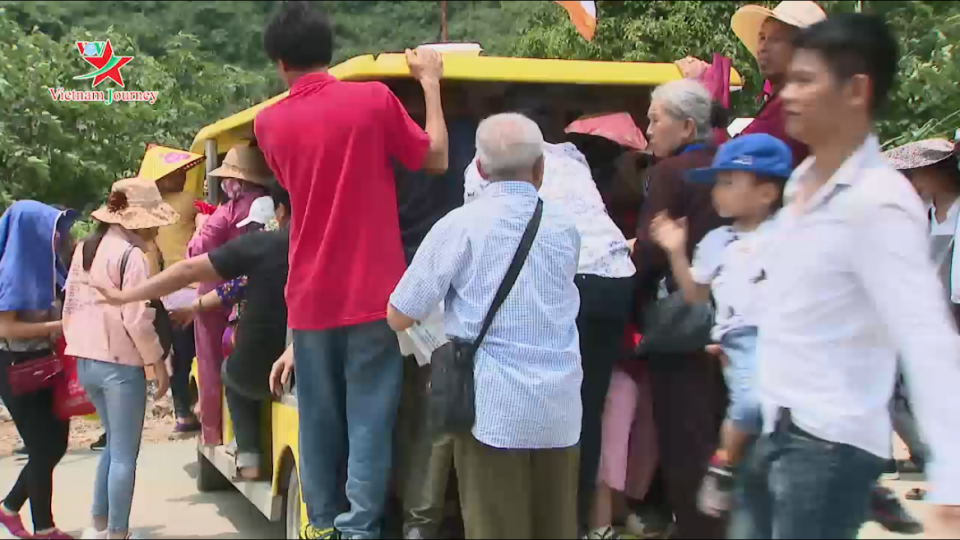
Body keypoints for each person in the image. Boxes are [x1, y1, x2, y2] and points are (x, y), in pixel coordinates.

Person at [731, 14, 960, 539]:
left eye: (806, 80)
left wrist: (952, 483)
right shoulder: (800, 186)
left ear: (856, 90)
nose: (788, 93)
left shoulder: (878, 202)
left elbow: (927, 339)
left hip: (829, 449)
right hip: (777, 431)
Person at [253, 1, 448, 537]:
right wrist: (429, 83)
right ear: (328, 50)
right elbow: (434, 158)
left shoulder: (267, 123)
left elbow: (294, 188)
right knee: (370, 418)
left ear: (279, 62)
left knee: (317, 419)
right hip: (375, 295)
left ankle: (319, 523)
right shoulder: (373, 100)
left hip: (311, 298)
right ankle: (361, 527)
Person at [388, 113, 582, 540]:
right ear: (540, 168)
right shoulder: (566, 227)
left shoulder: (460, 225)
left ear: (479, 168)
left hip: (494, 411)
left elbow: (399, 313)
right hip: (560, 410)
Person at [464, 100, 636, 537]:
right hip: (615, 277)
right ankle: (581, 522)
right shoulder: (572, 158)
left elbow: (480, 231)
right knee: (588, 406)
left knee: (551, 402)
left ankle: (545, 516)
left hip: (574, 276)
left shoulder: (483, 168)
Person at [98, 185, 291, 483]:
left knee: (230, 371)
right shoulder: (326, 245)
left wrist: (126, 297)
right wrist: (195, 307)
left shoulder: (264, 245)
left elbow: (195, 272)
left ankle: (249, 455)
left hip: (260, 365)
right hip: (307, 358)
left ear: (280, 213)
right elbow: (233, 288)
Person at [649, 134, 792, 520]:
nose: (717, 192)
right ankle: (725, 461)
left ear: (766, 192)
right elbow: (695, 294)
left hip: (789, 339)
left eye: (729, 182)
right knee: (749, 405)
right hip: (741, 339)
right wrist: (676, 250)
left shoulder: (790, 233)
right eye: (717, 183)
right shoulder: (717, 241)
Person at [631, 78, 728, 539]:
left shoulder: (670, 174)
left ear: (687, 126)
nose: (647, 129)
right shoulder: (731, 167)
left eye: (654, 119)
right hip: (734, 320)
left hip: (684, 324)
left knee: (686, 440)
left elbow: (651, 252)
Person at [61, 178, 175, 540]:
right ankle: (118, 532)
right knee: (126, 454)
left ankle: (98, 524)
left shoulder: (86, 249)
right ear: (136, 218)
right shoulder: (132, 257)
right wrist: (156, 362)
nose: (156, 228)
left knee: (113, 445)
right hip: (119, 366)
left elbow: (71, 306)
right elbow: (137, 320)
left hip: (86, 359)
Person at [0, 201, 77, 540]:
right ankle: (43, 527)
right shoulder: (12, 271)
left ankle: (8, 508)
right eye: (54, 227)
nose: (59, 234)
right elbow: (7, 328)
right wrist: (59, 325)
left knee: (55, 444)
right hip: (16, 366)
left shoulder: (47, 266)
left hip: (43, 364)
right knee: (43, 447)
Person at [187, 144, 271, 446]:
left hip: (215, 293)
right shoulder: (269, 204)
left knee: (210, 366)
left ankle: (213, 433)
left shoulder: (227, 210)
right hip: (251, 293)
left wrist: (199, 226)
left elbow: (198, 250)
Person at [138, 144, 206, 435]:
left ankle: (182, 414)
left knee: (181, 356)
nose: (181, 176)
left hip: (170, 292)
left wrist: (156, 298)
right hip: (199, 286)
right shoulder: (190, 201)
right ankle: (206, 406)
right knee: (207, 352)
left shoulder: (150, 213)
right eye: (175, 173)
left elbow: (152, 261)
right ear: (162, 179)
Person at [731, 0, 826, 165]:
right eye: (762, 38)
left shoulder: (795, 106)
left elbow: (738, 158)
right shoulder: (781, 101)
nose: (762, 47)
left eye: (776, 39)